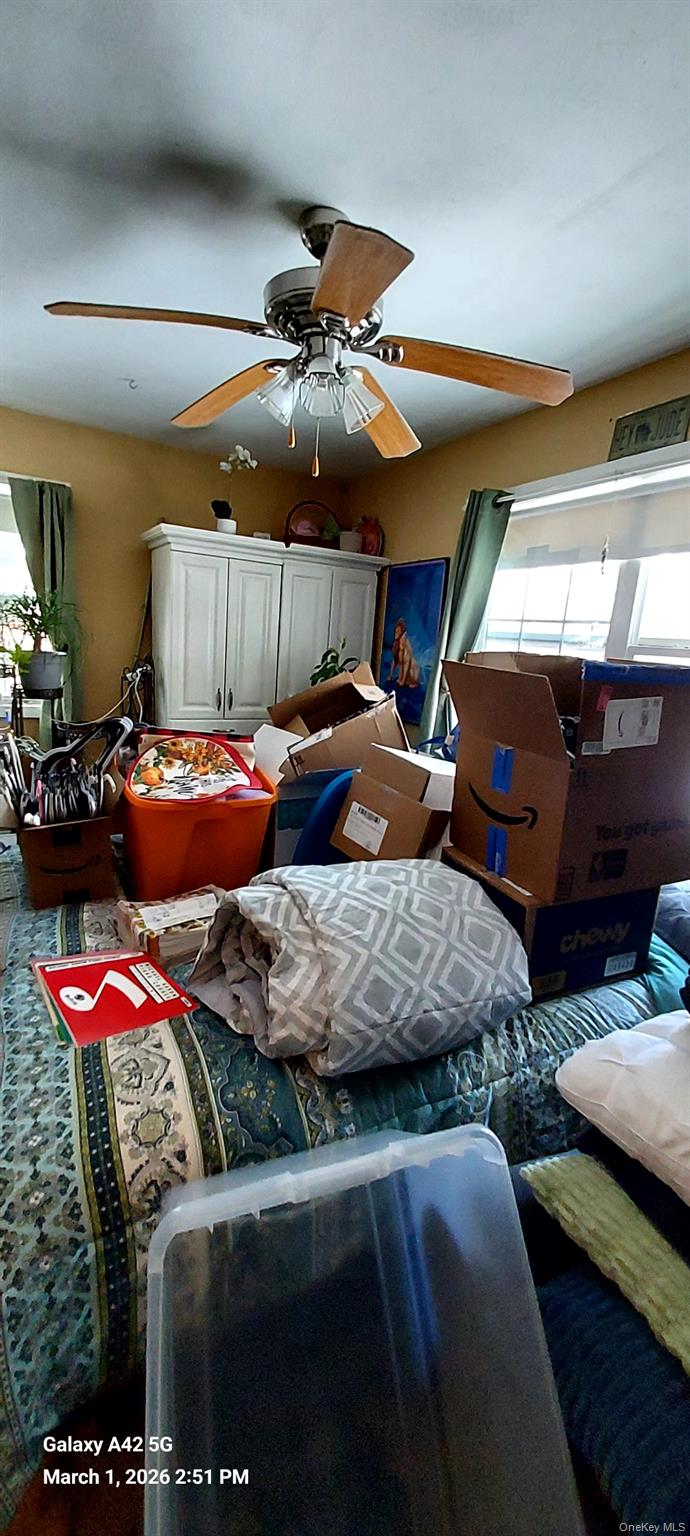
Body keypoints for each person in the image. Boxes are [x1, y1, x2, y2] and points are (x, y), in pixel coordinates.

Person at [388, 618, 420, 689]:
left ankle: (406, 681)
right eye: (396, 632)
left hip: (411, 670)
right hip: (403, 668)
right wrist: (390, 675)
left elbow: (406, 664)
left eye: (398, 632)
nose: (396, 633)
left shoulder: (404, 642)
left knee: (409, 668)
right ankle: (402, 679)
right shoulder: (396, 644)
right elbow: (396, 661)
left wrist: (402, 681)